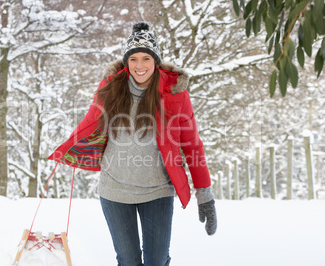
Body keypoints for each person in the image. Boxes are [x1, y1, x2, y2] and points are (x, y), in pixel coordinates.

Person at [48, 22, 217, 266]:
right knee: (127, 261)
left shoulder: (175, 94)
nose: (140, 66)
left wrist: (205, 193)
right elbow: (89, 123)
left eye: (146, 58)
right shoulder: (111, 87)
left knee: (156, 261)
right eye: (134, 58)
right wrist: (69, 148)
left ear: (156, 61)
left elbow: (192, 145)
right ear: (126, 61)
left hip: (157, 191)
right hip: (115, 191)